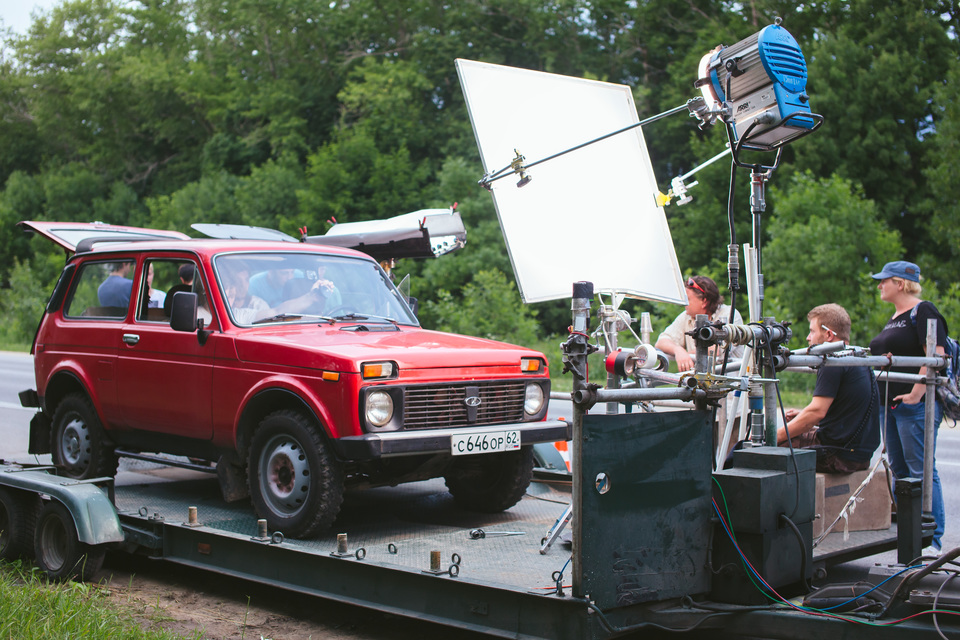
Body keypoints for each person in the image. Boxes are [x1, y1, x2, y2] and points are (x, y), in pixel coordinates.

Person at [868, 260, 947, 554]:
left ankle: (931, 540)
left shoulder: (923, 311)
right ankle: (910, 537)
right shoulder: (894, 317)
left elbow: (937, 355)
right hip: (889, 404)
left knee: (921, 470)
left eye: (884, 280)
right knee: (900, 471)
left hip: (913, 405)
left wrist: (916, 393)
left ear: (900, 283)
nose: (879, 285)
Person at [777, 304, 880, 473]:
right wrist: (803, 415)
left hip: (837, 456)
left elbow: (817, 411)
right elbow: (847, 415)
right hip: (860, 456)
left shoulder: (832, 360)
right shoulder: (858, 357)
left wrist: (774, 437)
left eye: (812, 331)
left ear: (829, 335)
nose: (808, 338)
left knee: (759, 449)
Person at [656, 275, 744, 372]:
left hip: (730, 379)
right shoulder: (686, 316)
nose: (685, 303)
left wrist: (688, 355)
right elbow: (661, 342)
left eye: (688, 299)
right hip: (702, 380)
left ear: (704, 301)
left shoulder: (730, 314)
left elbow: (719, 350)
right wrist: (678, 351)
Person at [223, 262, 331, 325]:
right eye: (236, 282)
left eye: (246, 280)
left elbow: (277, 312)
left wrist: (311, 297)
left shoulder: (241, 314)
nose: (241, 286)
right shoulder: (255, 284)